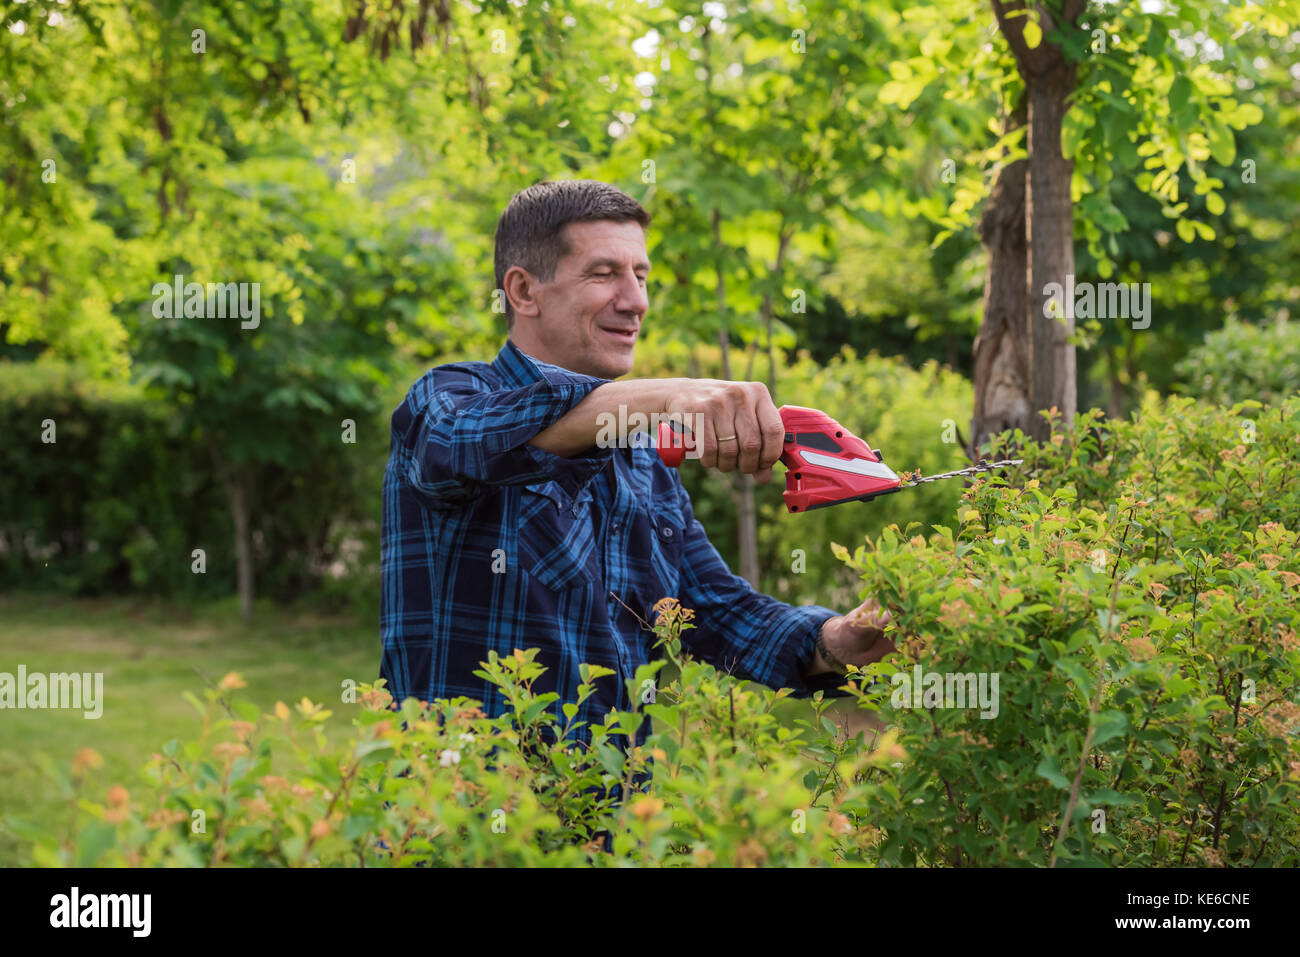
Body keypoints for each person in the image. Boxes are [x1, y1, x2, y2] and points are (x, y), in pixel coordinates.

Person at [379, 179, 894, 757]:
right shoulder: (447, 400)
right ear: (523, 291)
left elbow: (717, 611)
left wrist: (836, 640)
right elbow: (466, 443)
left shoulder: (643, 460)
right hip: (465, 823)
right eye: (604, 274)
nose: (636, 301)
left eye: (641, 276)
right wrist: (666, 396)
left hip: (609, 822)